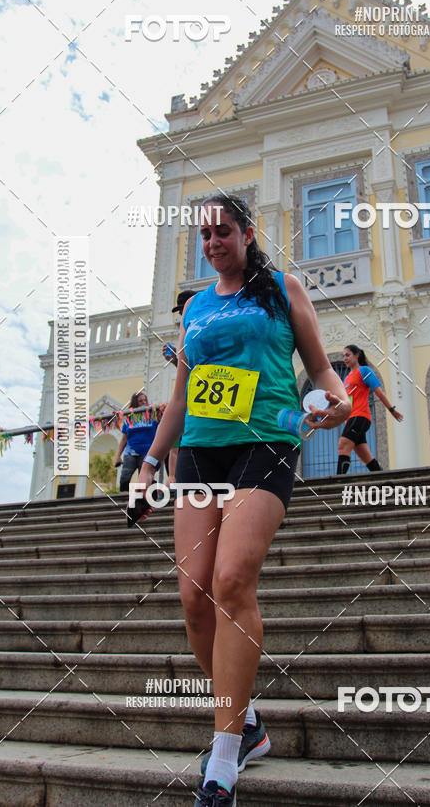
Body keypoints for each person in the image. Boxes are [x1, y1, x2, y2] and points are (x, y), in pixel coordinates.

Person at [137, 193, 351, 807]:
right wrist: (151, 463)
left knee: (232, 580)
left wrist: (336, 400)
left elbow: (320, 366)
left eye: (222, 231)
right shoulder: (196, 308)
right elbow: (183, 395)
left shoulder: (282, 288)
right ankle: (248, 721)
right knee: (193, 594)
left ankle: (224, 755)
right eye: (204, 236)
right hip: (202, 449)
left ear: (247, 232)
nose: (212, 244)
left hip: (266, 440)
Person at [336, 344, 403, 474]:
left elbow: (379, 392)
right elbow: (348, 401)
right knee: (364, 456)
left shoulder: (364, 371)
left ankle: (338, 483)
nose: (345, 358)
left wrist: (391, 409)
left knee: (343, 444)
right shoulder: (347, 378)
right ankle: (384, 481)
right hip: (351, 418)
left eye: (348, 355)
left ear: (357, 355)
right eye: (343, 356)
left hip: (360, 416)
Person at [163, 290, 196, 483]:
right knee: (176, 442)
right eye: (180, 311)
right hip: (189, 396)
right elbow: (189, 372)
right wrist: (176, 361)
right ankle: (173, 477)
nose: (182, 315)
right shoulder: (185, 330)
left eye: (184, 309)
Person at [114, 392, 159, 490]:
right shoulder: (129, 417)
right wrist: (118, 456)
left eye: (145, 400)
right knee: (124, 478)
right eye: (140, 401)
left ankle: (144, 501)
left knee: (143, 480)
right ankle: (124, 500)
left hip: (147, 453)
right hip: (130, 453)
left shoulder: (152, 415)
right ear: (135, 403)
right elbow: (124, 439)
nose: (144, 403)